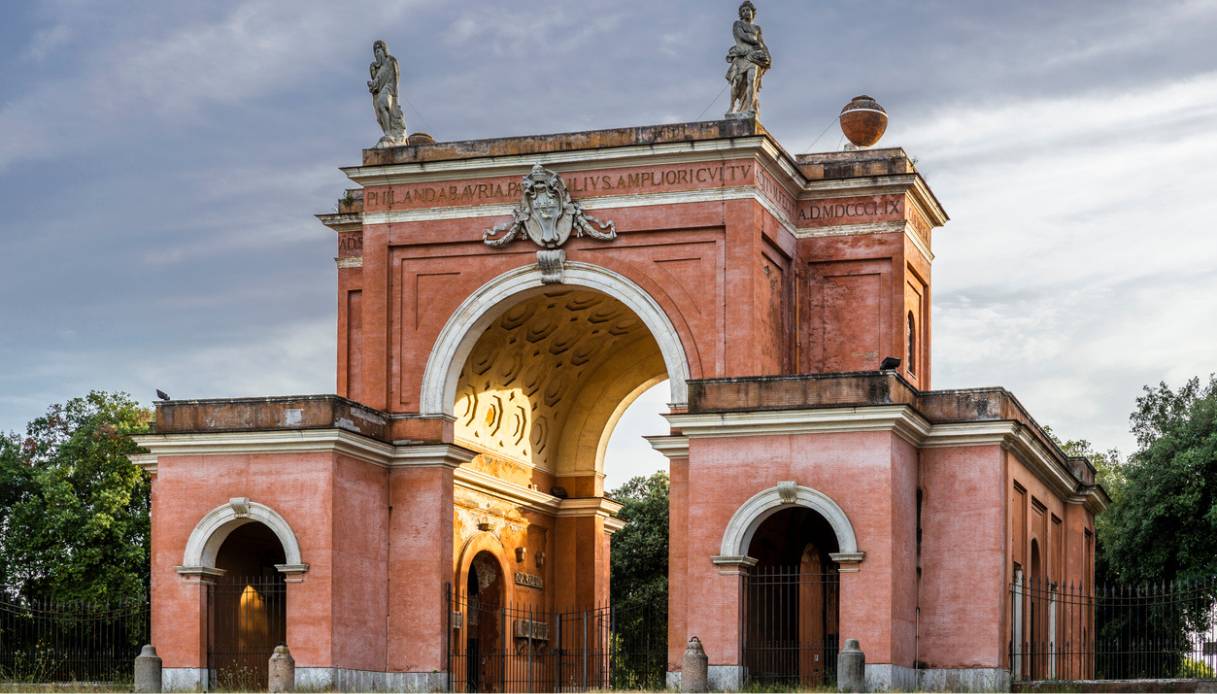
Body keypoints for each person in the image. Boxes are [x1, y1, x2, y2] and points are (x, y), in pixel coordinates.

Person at [725, 1, 771, 117]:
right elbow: (742, 36)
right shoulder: (737, 24)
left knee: (752, 80)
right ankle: (731, 107)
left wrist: (767, 55)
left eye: (748, 10)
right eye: (743, 10)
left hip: (754, 57)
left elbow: (762, 43)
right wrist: (755, 42)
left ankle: (751, 107)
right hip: (741, 55)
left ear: (752, 12)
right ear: (741, 13)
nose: (746, 12)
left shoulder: (757, 28)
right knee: (737, 82)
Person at [368, 40, 407, 146]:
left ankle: (389, 133)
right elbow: (376, 84)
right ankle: (388, 132)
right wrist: (372, 85)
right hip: (382, 91)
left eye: (379, 50)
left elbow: (396, 76)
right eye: (375, 52)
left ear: (384, 50)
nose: (377, 53)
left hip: (389, 89)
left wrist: (394, 94)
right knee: (380, 110)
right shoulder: (377, 68)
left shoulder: (390, 61)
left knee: (383, 103)